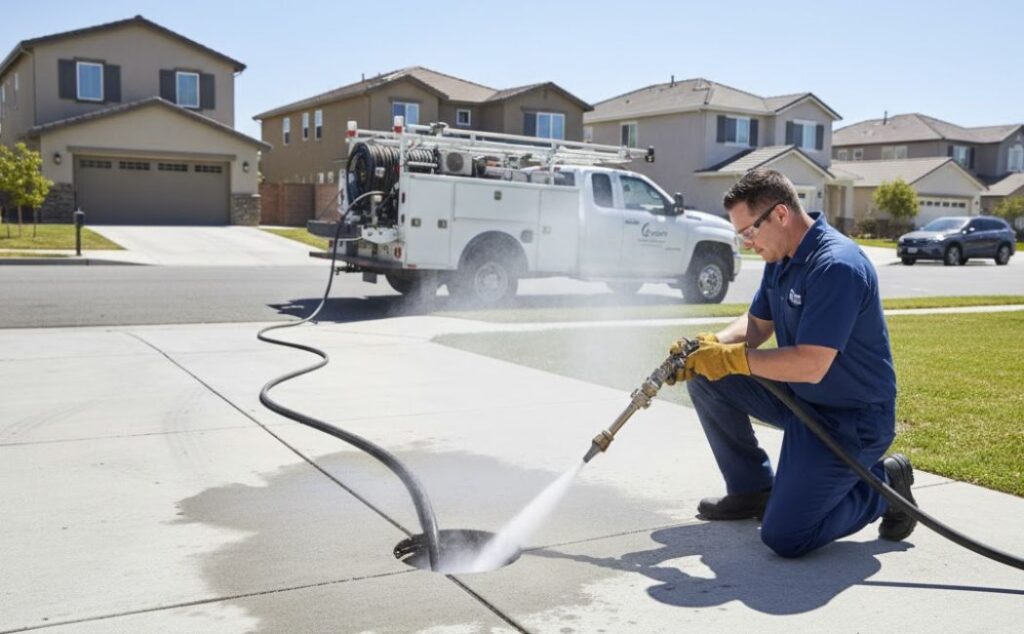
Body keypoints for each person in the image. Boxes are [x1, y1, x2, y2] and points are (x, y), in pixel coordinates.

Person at [671, 168, 916, 558]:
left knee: (786, 536)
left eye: (749, 232)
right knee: (706, 376)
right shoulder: (782, 256)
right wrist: (708, 348)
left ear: (780, 214)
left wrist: (732, 358)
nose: (747, 243)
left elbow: (810, 365)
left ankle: (884, 487)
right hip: (804, 401)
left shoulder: (835, 266)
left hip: (851, 419)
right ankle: (753, 489)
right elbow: (756, 325)